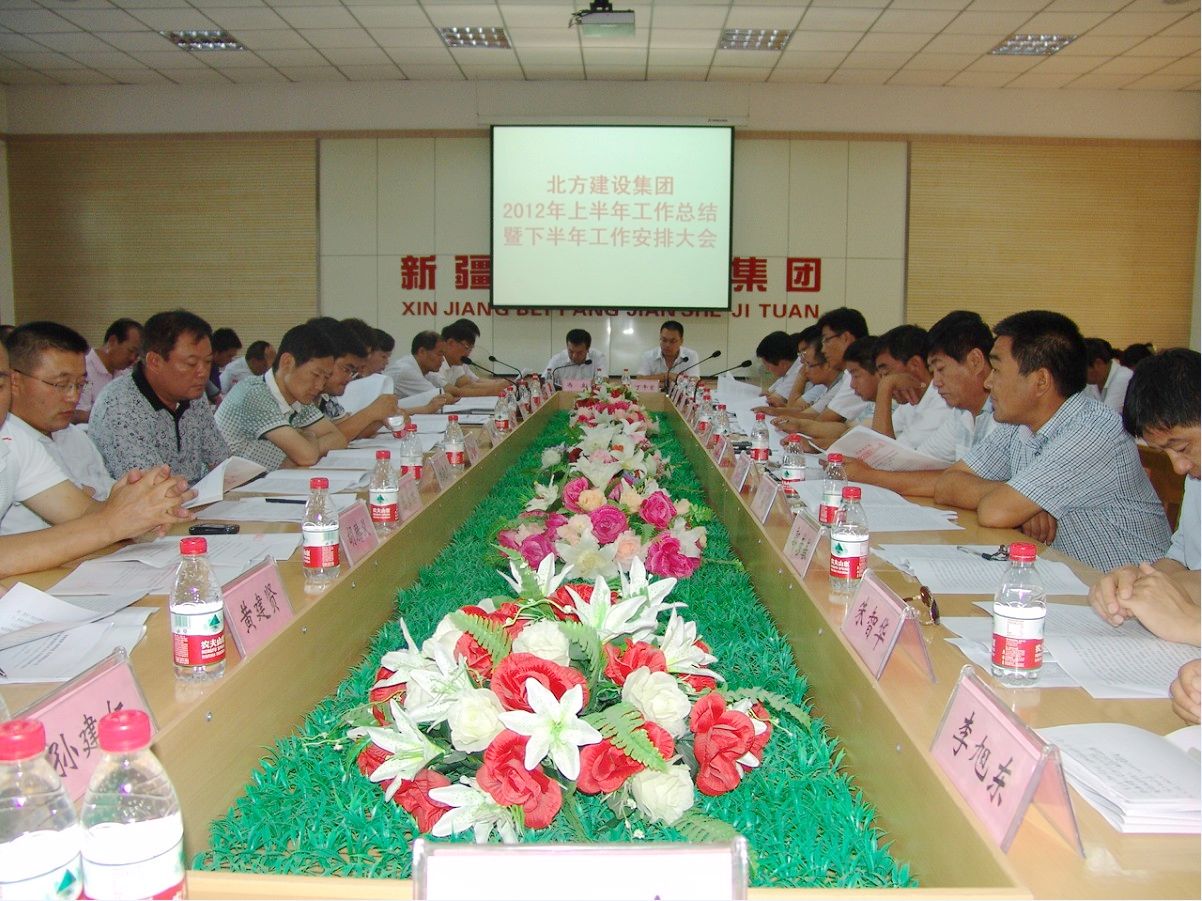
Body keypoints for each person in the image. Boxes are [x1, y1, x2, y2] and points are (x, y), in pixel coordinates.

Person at [933, 310, 1169, 571]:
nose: (988, 383)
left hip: (1131, 588)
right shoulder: (1019, 424)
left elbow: (995, 512)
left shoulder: (1093, 430)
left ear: (1041, 380)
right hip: (1070, 577)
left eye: (997, 370)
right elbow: (947, 484)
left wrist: (1016, 500)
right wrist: (1022, 499)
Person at [0, 339, 193, 574]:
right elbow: (103, 523)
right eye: (60, 384)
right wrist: (113, 523)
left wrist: (139, 504)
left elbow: (81, 513)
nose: (72, 396)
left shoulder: (13, 441)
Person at [1088, 349, 1199, 639]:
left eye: (1182, 448)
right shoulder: (1196, 474)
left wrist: (1190, 624)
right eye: (1165, 452)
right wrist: (1138, 580)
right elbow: (1183, 560)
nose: (1178, 467)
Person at [840, 310, 994, 497]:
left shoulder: (1002, 418)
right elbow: (919, 469)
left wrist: (867, 475)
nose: (936, 382)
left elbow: (964, 483)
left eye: (941, 369)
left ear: (975, 361)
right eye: (933, 371)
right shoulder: (961, 413)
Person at [90, 310, 230, 484]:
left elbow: (221, 460)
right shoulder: (119, 406)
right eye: (191, 363)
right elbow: (150, 487)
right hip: (150, 499)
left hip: (193, 495)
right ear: (155, 362)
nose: (203, 373)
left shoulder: (193, 395)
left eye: (208, 362)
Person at [2, 322, 115, 534]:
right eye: (61, 385)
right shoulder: (10, 445)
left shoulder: (76, 437)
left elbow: (98, 508)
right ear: (14, 381)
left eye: (80, 384)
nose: (73, 397)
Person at [215, 322, 347, 469]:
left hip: (263, 478)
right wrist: (310, 437)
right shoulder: (254, 393)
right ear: (287, 362)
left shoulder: (298, 397)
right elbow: (307, 456)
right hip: (226, 481)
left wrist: (305, 444)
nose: (320, 386)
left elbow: (339, 439)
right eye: (316, 375)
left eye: (326, 377)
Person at [774, 336, 879, 446]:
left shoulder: (887, 405)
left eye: (809, 364)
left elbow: (825, 420)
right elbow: (844, 429)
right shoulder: (871, 402)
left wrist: (813, 444)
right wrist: (800, 425)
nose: (852, 385)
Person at [870, 324, 958, 451]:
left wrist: (885, 387)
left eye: (886, 373)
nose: (884, 380)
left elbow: (883, 453)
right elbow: (873, 443)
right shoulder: (911, 399)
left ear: (914, 364)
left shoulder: (943, 401)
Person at [73, 317, 142, 423]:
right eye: (131, 351)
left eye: (137, 355)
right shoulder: (83, 368)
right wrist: (115, 415)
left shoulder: (126, 373)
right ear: (112, 341)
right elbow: (77, 414)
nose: (133, 358)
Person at [438, 320, 508, 396]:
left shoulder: (455, 363)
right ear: (451, 343)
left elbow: (468, 384)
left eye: (471, 348)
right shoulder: (436, 364)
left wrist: (498, 384)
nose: (468, 353)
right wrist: (493, 390)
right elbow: (455, 392)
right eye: (467, 347)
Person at [637, 321, 699, 385]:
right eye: (664, 340)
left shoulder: (690, 355)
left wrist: (669, 376)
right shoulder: (648, 356)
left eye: (673, 341)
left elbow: (694, 381)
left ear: (681, 341)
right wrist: (666, 376)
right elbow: (639, 379)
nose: (667, 345)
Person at [1083, 338, 1133, 415]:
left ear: (1098, 363)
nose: (1079, 374)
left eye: (1081, 369)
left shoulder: (1124, 377)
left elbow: (1107, 416)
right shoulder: (1092, 381)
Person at [755, 331, 802, 407]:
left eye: (767, 365)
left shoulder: (799, 369)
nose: (767, 369)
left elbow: (774, 399)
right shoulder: (788, 370)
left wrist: (771, 396)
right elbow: (768, 392)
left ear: (782, 364)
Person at [207, 328, 242, 401]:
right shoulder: (203, 370)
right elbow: (216, 397)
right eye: (229, 356)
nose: (230, 360)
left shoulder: (214, 367)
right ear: (216, 352)